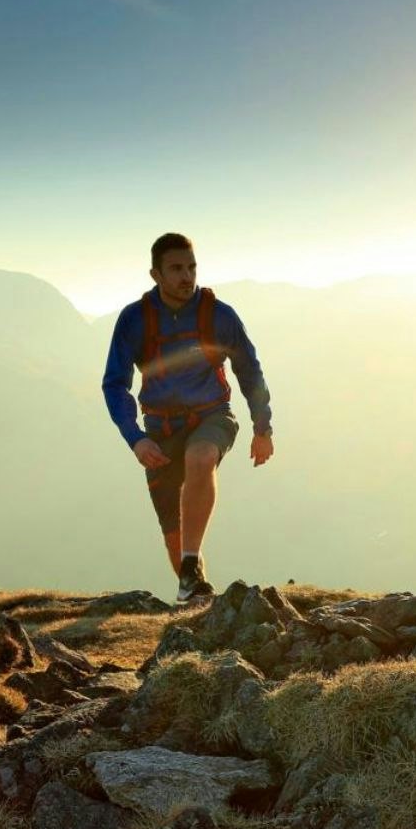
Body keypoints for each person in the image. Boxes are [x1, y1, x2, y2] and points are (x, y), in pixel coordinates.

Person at [102, 232, 274, 603]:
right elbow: (115, 384)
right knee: (173, 534)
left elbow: (249, 371)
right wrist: (136, 438)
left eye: (192, 267)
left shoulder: (219, 316)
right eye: (176, 269)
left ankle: (191, 567)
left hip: (212, 416)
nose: (186, 277)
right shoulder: (135, 320)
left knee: (201, 457)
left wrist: (263, 427)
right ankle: (193, 592)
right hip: (159, 429)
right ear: (155, 274)